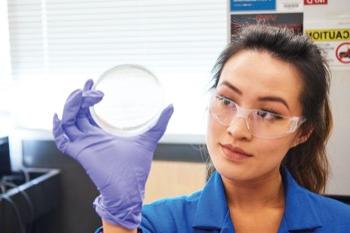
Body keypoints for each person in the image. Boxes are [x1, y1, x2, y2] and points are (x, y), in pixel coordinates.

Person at [52, 25, 350, 233]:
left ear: (302, 132)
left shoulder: (342, 223)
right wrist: (118, 218)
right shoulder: (157, 224)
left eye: (267, 113)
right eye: (226, 100)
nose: (236, 129)